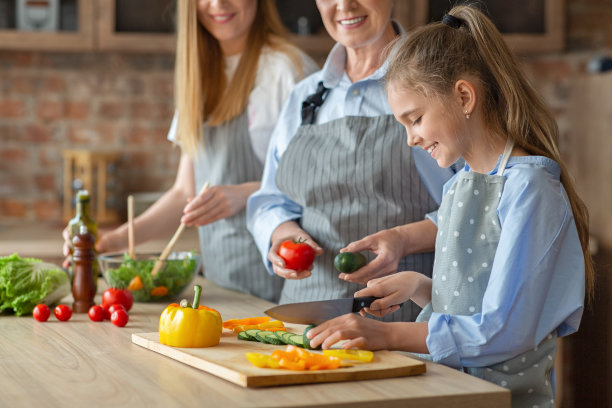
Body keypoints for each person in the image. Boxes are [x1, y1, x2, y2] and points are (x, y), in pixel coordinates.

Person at [306, 5, 594, 408]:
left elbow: (502, 331)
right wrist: (421, 287)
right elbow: (472, 298)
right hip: (444, 392)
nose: (411, 139)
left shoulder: (531, 190)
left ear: (463, 96)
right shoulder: (460, 185)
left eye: (416, 119)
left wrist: (387, 335)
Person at [63, 0, 318, 302]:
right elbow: (185, 192)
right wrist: (115, 238)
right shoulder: (199, 75)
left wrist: (245, 194)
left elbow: (316, 188)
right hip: (223, 285)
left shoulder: (289, 70)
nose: (218, 4)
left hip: (282, 284)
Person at [246, 0, 456, 321]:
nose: (344, 5)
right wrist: (282, 235)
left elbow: (478, 208)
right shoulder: (305, 97)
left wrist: (402, 240)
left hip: (408, 319)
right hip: (307, 318)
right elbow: (270, 200)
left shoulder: (437, 85)